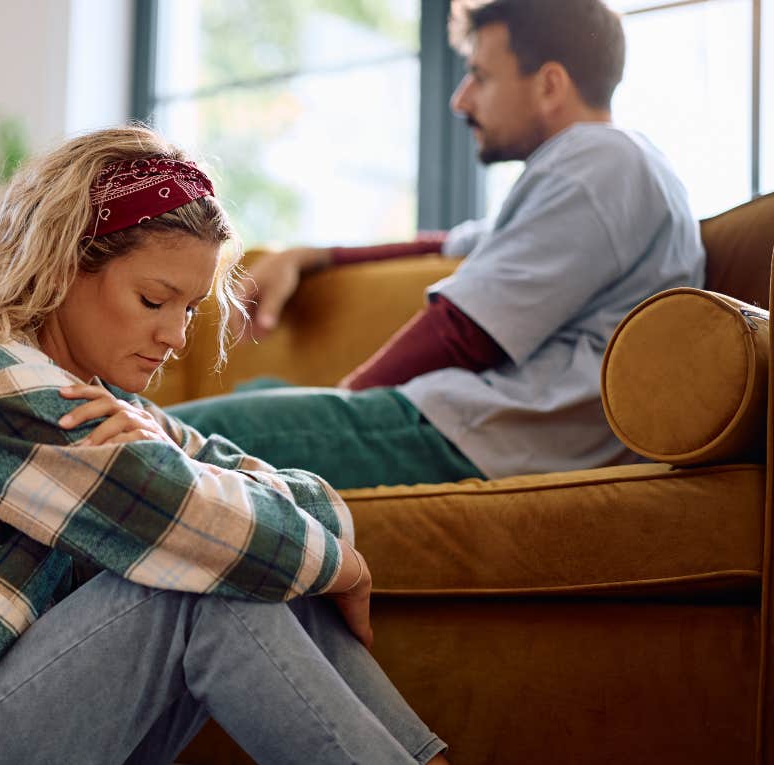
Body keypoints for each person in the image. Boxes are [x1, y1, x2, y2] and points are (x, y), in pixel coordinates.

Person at [0, 126, 450, 765]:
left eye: (189, 308)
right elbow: (217, 529)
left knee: (234, 554)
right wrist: (348, 569)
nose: (177, 335)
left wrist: (182, 464)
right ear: (63, 266)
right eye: (154, 300)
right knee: (203, 578)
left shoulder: (106, 402)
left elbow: (282, 501)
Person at [169, 0, 705, 487]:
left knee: (178, 434)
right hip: (480, 429)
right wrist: (313, 255)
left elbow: (465, 331)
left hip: (490, 437)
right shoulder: (595, 172)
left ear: (549, 85)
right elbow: (447, 246)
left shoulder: (599, 163)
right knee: (255, 394)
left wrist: (345, 403)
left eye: (479, 76)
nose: (460, 99)